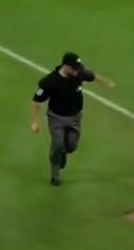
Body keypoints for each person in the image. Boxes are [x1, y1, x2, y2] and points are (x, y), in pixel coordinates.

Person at [30, 52, 115, 186]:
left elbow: (93, 76)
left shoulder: (79, 73)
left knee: (71, 146)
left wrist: (107, 83)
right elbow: (36, 101)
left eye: (78, 67)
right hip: (56, 117)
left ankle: (63, 153)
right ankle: (55, 174)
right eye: (74, 68)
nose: (77, 70)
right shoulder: (49, 82)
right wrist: (35, 121)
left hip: (75, 117)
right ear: (65, 66)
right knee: (57, 145)